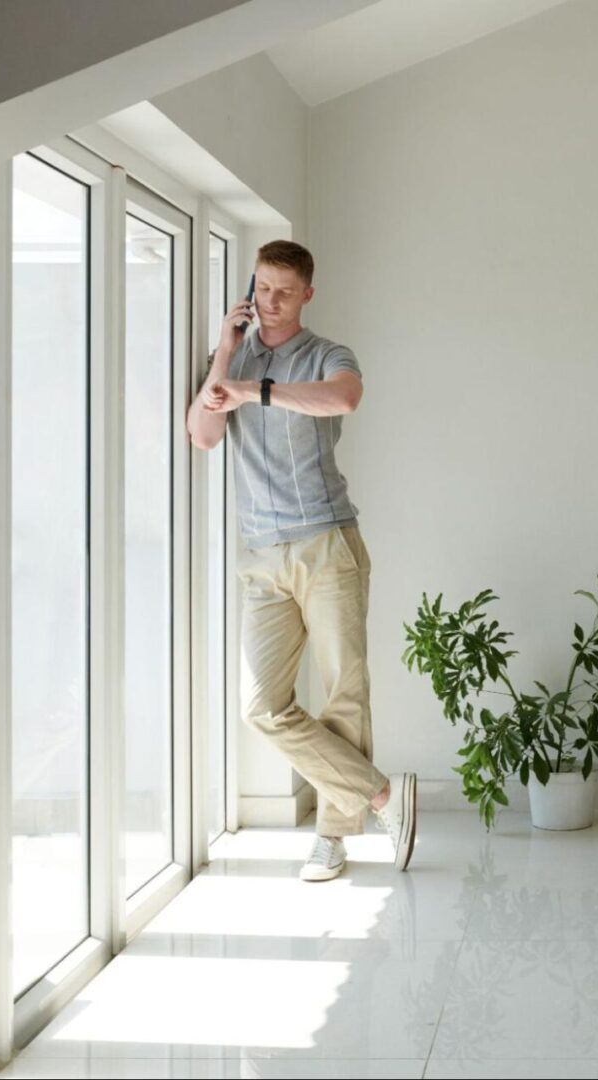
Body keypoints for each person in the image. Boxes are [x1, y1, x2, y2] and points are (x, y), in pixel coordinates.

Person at [186, 239, 416, 881]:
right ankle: (380, 795)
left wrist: (256, 389)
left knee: (344, 687)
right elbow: (202, 436)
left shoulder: (325, 354)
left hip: (325, 540)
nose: (271, 301)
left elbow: (343, 399)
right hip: (260, 555)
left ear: (307, 293)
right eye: (262, 287)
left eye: (285, 290)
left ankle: (333, 839)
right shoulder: (230, 361)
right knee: (261, 706)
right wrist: (227, 352)